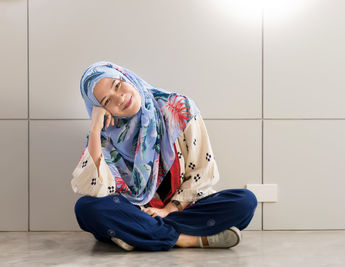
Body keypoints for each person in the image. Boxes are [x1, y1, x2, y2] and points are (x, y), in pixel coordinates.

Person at [72, 61, 258, 251]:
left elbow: (202, 173)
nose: (118, 99)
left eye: (117, 85)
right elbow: (95, 189)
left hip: (180, 209)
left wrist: (168, 210)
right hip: (135, 212)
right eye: (106, 101)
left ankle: (139, 234)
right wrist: (95, 130)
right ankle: (188, 239)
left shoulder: (177, 108)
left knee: (245, 201)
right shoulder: (104, 134)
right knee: (86, 208)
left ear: (125, 75)